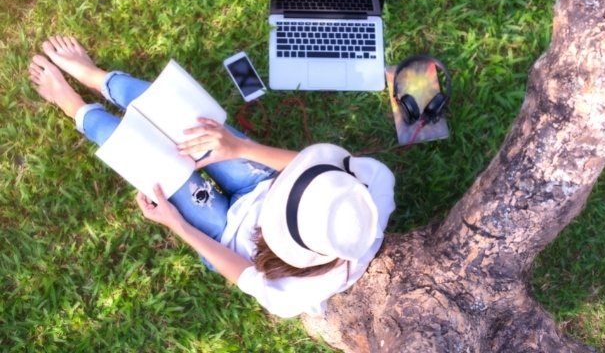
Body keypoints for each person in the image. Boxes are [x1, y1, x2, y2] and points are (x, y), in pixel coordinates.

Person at [28, 36, 396, 318]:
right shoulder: (372, 189)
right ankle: (96, 77)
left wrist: (177, 225)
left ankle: (74, 108)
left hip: (225, 232)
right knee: (186, 121)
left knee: (147, 158)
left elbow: (239, 270)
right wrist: (238, 148)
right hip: (261, 179)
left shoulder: (297, 295)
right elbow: (309, 163)